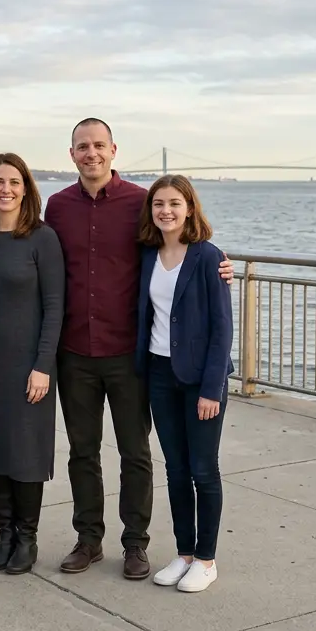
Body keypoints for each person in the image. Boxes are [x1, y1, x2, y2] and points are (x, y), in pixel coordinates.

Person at [44, 118, 234, 580]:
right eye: (82, 147)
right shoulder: (57, 206)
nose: (91, 153)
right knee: (82, 452)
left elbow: (182, 243)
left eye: (99, 146)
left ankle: (136, 545)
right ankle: (88, 540)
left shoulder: (139, 203)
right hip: (75, 351)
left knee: (136, 452)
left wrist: (221, 263)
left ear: (113, 150)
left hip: (130, 354)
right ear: (72, 154)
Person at [0, 152, 65, 575]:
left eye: (14, 182)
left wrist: (43, 364)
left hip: (29, 364)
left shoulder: (43, 238)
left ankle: (27, 537)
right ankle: (4, 535)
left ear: (27, 189)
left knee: (25, 449)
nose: (5, 189)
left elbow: (55, 306)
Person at [134, 175, 234, 593]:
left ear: (190, 208)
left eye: (175, 203)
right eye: (158, 204)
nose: (166, 211)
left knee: (203, 470)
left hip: (199, 380)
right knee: (175, 470)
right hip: (159, 374)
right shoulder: (147, 255)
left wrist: (212, 388)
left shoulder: (209, 257)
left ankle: (207, 560)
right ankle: (184, 554)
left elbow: (222, 327)